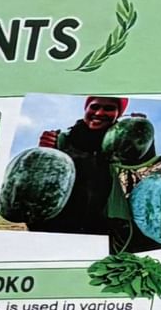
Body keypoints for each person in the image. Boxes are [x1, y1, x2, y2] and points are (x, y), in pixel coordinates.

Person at [29, 95, 125, 234]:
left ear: (118, 114)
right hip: (56, 223)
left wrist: (139, 132)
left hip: (101, 226)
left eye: (109, 108)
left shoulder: (122, 145)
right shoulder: (61, 139)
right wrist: (44, 152)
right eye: (94, 107)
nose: (99, 113)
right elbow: (39, 180)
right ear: (86, 109)